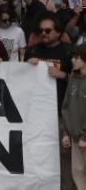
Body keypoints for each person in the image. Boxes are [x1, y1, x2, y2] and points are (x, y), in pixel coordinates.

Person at [25, 13, 72, 108]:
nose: (43, 33)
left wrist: (63, 75)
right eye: (40, 30)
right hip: (35, 104)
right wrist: (27, 66)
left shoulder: (69, 52)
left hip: (60, 107)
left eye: (47, 30)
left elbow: (80, 80)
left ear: (58, 32)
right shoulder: (31, 51)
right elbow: (22, 79)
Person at [61, 45, 86, 189]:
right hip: (76, 139)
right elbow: (66, 107)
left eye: (76, 57)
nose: (72, 60)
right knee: (77, 172)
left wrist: (85, 137)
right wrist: (66, 132)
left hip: (83, 138)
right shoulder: (73, 79)